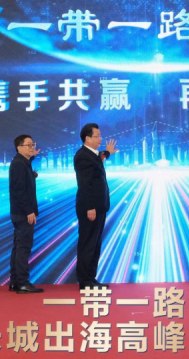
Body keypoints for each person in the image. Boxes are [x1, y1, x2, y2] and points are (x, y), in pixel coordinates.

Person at [74, 123, 117, 290]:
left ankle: (91, 278)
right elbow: (85, 184)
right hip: (90, 208)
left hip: (100, 206)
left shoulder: (92, 154)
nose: (100, 139)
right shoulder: (82, 156)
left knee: (95, 244)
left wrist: (108, 153)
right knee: (88, 243)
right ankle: (85, 281)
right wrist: (90, 207)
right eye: (97, 136)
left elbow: (100, 157)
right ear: (87, 138)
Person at [8, 135, 44, 293]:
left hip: (20, 212)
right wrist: (29, 210)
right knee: (23, 248)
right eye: (28, 145)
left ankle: (15, 281)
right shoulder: (18, 164)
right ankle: (22, 282)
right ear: (19, 147)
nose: (32, 147)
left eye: (32, 144)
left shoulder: (22, 162)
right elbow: (19, 190)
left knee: (19, 248)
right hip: (23, 213)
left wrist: (32, 157)